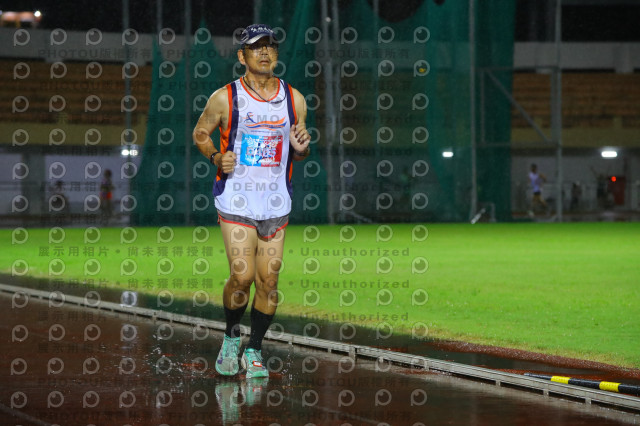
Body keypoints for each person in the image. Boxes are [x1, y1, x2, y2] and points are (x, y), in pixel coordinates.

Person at [192, 24, 310, 379]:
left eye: (270, 46)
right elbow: (200, 133)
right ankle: (231, 338)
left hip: (275, 203)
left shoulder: (294, 99)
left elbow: (299, 149)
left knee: (269, 282)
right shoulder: (225, 97)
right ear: (242, 56)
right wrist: (216, 157)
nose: (264, 52)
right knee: (242, 277)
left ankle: (254, 349)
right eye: (256, 47)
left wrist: (301, 148)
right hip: (237, 199)